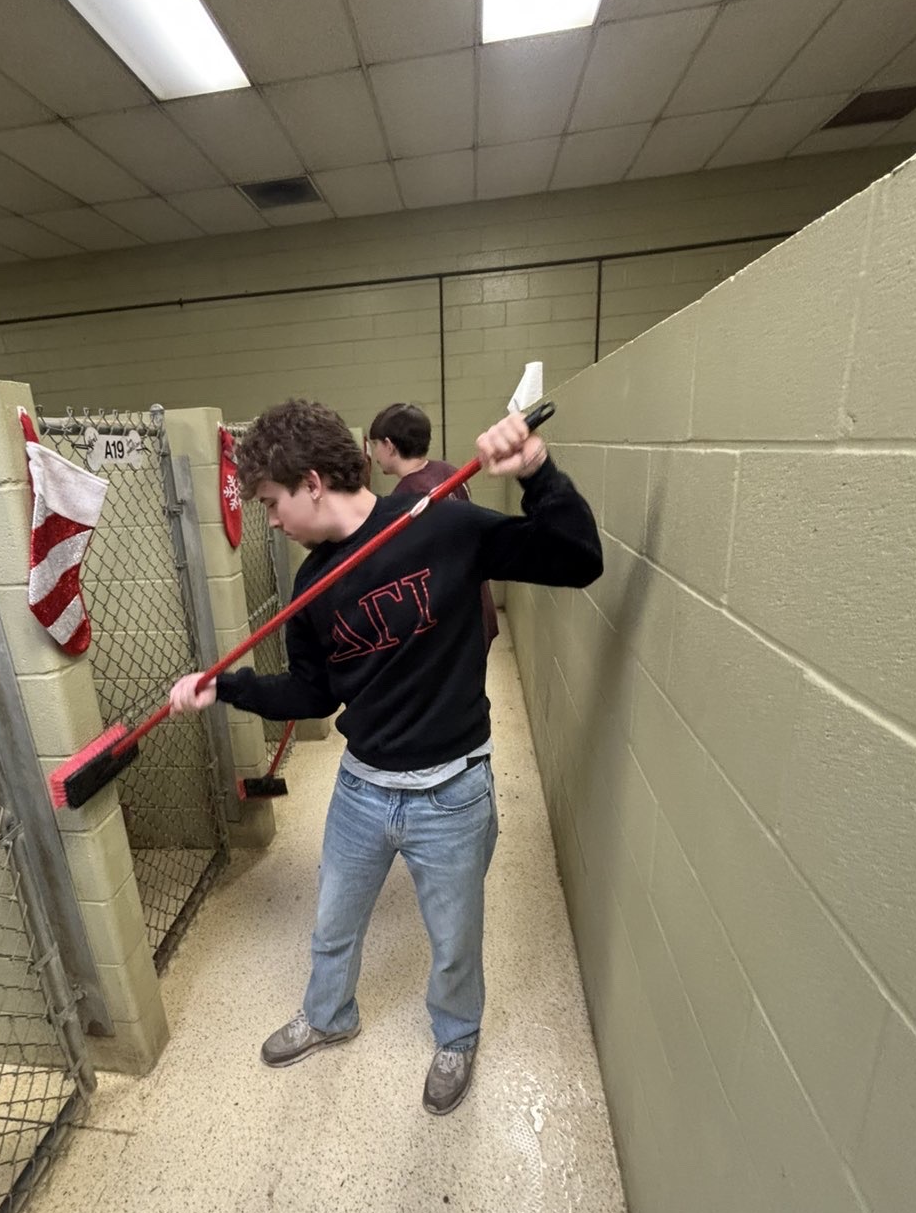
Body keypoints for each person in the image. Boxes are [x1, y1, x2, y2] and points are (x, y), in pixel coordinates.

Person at [169, 399, 601, 1116]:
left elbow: (578, 561)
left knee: (455, 940)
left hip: (452, 792)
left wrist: (537, 472)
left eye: (273, 503)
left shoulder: (441, 525)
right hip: (362, 790)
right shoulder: (311, 585)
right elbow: (313, 694)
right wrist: (229, 688)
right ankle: (329, 1015)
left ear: (311, 482)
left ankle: (457, 1036)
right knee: (333, 923)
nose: (270, 520)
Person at [369, 402, 499, 649]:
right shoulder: (449, 471)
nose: (375, 454)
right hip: (477, 605)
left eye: (375, 445)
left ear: (389, 445)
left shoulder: (406, 498)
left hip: (451, 622)